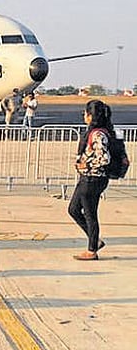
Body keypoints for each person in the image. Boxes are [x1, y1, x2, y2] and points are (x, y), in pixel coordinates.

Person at [68, 99, 114, 261]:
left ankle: (92, 249)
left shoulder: (98, 134)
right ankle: (95, 240)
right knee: (73, 209)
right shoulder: (94, 131)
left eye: (86, 113)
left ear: (90, 115)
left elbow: (104, 158)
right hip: (87, 178)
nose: (84, 116)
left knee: (90, 214)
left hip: (93, 179)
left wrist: (85, 164)